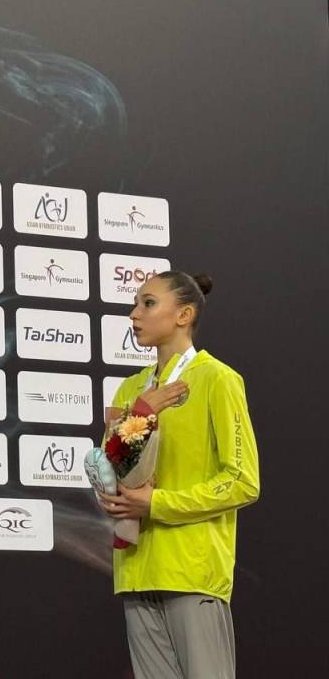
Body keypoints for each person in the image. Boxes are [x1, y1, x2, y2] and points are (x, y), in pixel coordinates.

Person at [98, 271, 260, 679]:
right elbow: (106, 470)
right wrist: (140, 415)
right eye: (136, 303)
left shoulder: (217, 379)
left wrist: (157, 504)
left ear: (184, 314)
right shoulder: (130, 389)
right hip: (136, 572)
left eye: (148, 303)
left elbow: (242, 480)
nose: (134, 314)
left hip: (192, 572)